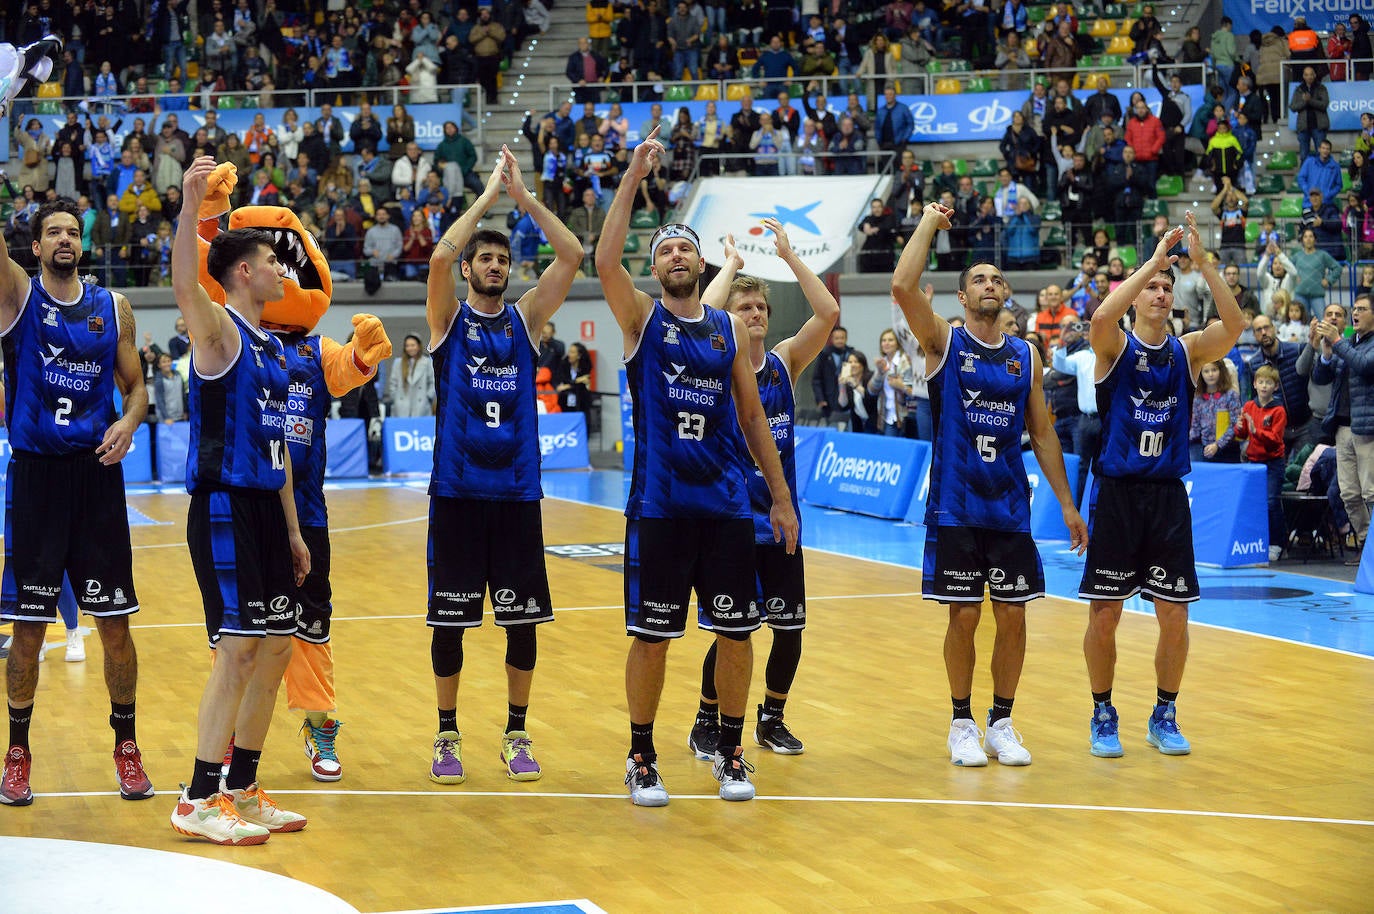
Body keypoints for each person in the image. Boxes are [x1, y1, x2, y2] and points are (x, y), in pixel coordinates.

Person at [595, 126, 799, 806]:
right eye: (666, 250)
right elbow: (603, 261)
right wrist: (631, 175)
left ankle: (733, 751)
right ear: (657, 269)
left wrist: (779, 498)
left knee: (739, 634)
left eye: (685, 247)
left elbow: (751, 420)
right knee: (653, 640)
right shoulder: (642, 323)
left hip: (724, 510)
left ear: (704, 262)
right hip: (660, 509)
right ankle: (642, 756)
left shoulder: (728, 331)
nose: (676, 255)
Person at [892, 202, 1087, 767]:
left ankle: (1002, 720)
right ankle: (961, 722)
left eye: (997, 278)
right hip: (956, 504)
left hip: (1008, 507)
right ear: (962, 296)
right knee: (966, 615)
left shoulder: (1025, 355)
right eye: (979, 278)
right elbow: (904, 286)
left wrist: (1068, 505)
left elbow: (1045, 435)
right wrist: (928, 221)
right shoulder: (945, 344)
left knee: (1014, 614)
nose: (990, 284)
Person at [422, 146, 581, 786]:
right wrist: (488, 195)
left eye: (502, 259)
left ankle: (516, 732)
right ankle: (446, 736)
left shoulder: (526, 320)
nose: (495, 265)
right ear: (469, 270)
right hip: (459, 493)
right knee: (450, 623)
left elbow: (571, 256)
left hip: (517, 494)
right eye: (485, 258)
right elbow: (437, 257)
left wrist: (525, 199)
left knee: (522, 621)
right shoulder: (447, 320)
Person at [167, 157, 311, 844]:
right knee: (239, 650)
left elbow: (281, 451)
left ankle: (244, 787)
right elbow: (181, 286)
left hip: (264, 509)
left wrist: (294, 529)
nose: (283, 270)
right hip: (222, 504)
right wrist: (191, 210)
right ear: (243, 273)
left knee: (279, 645)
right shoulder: (219, 333)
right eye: (271, 262)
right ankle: (197, 798)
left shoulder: (277, 353)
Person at [1079, 211, 1246, 759]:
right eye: (1150, 286)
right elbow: (1101, 317)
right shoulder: (1115, 346)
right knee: (1105, 615)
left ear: (1174, 299)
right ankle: (1103, 711)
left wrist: (1202, 264)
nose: (1158, 292)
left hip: (1168, 496)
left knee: (1175, 614)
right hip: (1119, 495)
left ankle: (1164, 711)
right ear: (1136, 293)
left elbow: (1236, 325)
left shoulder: (1188, 350)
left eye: (1165, 287)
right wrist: (1153, 259)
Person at [0, 199, 151, 808]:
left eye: (72, 231)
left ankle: (127, 745)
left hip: (95, 480)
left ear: (81, 243)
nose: (64, 239)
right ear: (33, 247)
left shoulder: (113, 308)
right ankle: (17, 752)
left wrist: (131, 423)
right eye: (52, 233)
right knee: (28, 632)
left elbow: (136, 387)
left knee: (115, 627)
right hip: (36, 479)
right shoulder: (17, 300)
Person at [689, 218, 839, 761]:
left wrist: (792, 257)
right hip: (730, 519)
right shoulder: (718, 370)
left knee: (790, 630)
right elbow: (697, 319)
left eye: (760, 309)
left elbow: (828, 315)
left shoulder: (783, 363)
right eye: (744, 309)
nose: (754, 316)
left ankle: (772, 717)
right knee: (733, 633)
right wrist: (729, 269)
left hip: (781, 521)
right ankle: (706, 718)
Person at [1311, 294, 1374, 564]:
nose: (1355, 313)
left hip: (1368, 429)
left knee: (1371, 492)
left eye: (1362, 309)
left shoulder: (1363, 345)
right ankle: (1365, 543)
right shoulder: (1348, 343)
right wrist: (1326, 353)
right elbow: (1320, 377)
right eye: (1355, 309)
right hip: (1343, 428)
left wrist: (1337, 342)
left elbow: (1364, 366)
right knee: (1349, 493)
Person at [1235, 364, 1288, 562]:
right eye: (1261, 382)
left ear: (1275, 387)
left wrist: (1256, 431)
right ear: (1255, 384)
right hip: (1253, 463)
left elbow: (1276, 438)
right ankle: (1255, 541)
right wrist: (1240, 427)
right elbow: (1241, 434)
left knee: (1272, 502)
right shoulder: (1249, 406)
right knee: (1252, 503)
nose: (1264, 386)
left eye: (1269, 383)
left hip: (1273, 462)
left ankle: (1277, 543)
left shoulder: (1278, 410)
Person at [1189, 359, 1241, 464]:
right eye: (1206, 371)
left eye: (1214, 370)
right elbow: (1195, 427)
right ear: (1201, 374)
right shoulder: (1198, 399)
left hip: (1228, 450)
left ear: (1221, 371)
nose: (1210, 374)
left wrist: (1217, 445)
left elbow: (1234, 424)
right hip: (1206, 450)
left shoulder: (1231, 395)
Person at [384, 333, 436, 417]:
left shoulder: (427, 362)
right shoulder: (398, 363)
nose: (410, 348)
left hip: (421, 405)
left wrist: (428, 397)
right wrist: (395, 398)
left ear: (418, 346)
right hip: (401, 406)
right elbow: (393, 383)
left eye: (413, 345)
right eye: (407, 346)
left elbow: (432, 382)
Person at [812, 325, 852, 423]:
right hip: (828, 399)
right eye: (837, 338)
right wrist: (820, 399)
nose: (839, 341)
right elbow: (816, 379)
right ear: (832, 339)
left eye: (842, 338)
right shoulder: (824, 355)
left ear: (846, 338)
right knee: (831, 426)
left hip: (847, 398)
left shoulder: (851, 354)